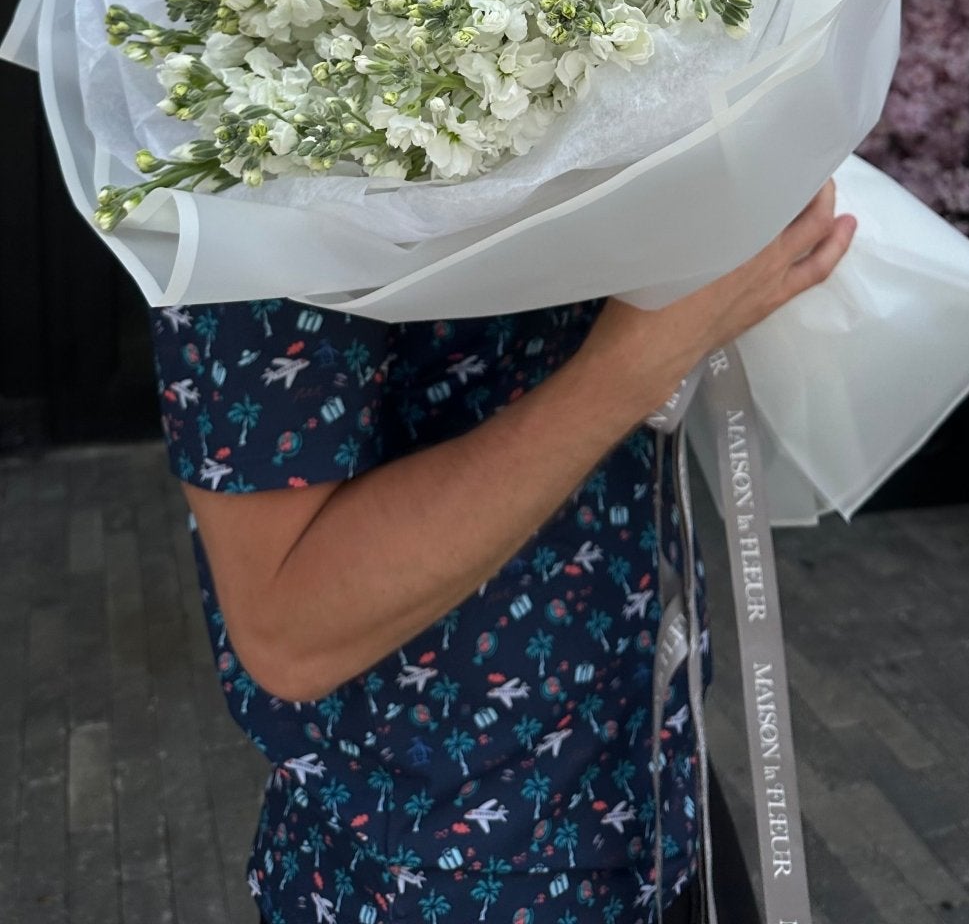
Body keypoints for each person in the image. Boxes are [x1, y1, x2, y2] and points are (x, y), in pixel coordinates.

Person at [151, 182, 855, 921]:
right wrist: (638, 361)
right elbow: (287, 625)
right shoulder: (254, 156)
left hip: (654, 776)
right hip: (448, 871)